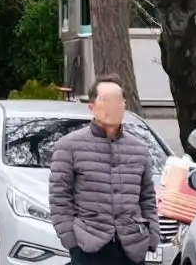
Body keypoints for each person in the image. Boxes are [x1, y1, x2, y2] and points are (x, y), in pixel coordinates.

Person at [48, 76, 159, 265]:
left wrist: (152, 235)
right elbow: (60, 198)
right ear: (91, 106)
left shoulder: (139, 149)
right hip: (88, 245)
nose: (113, 107)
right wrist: (71, 240)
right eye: (106, 100)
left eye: (119, 101)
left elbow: (147, 198)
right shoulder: (69, 146)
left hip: (131, 247)